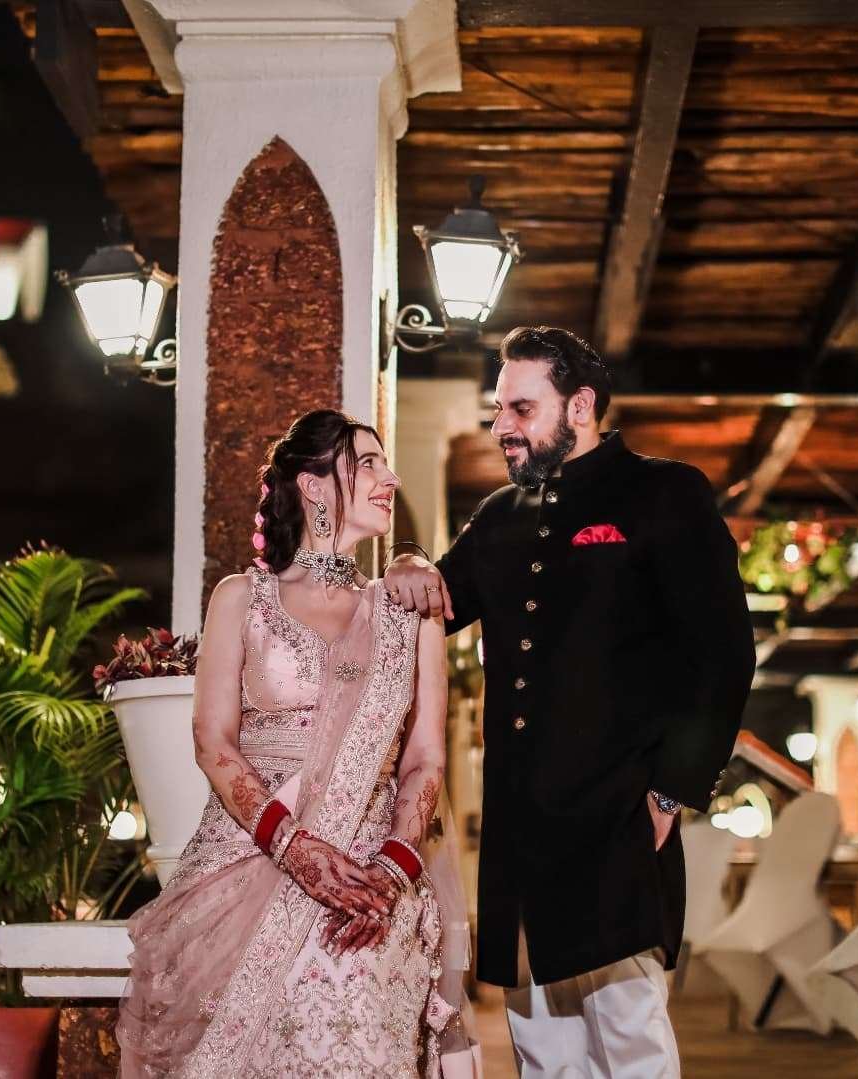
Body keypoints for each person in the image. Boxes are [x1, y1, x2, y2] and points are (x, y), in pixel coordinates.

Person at [385, 327, 757, 1077]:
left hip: (619, 813)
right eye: (499, 408)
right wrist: (407, 559)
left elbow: (721, 656)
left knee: (628, 1037)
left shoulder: (664, 493)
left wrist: (669, 792)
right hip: (519, 828)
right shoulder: (499, 516)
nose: (501, 425)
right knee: (541, 1045)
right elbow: (435, 599)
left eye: (521, 408)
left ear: (580, 406)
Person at [117, 409, 476, 1078]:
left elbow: (425, 759)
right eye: (367, 463)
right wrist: (296, 849)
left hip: (370, 882)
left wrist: (390, 874)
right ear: (312, 485)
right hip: (249, 861)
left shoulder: (409, 614)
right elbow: (212, 742)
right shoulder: (240, 598)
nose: (390, 478)